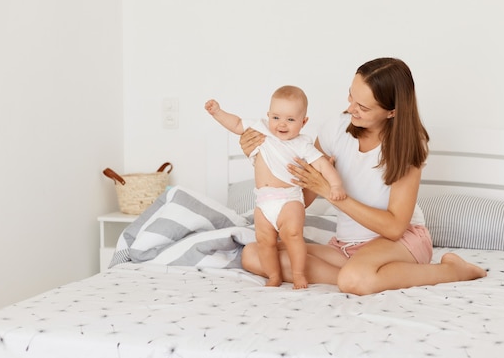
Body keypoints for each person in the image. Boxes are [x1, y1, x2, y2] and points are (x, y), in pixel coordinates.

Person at [239, 58, 487, 295]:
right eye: (351, 96)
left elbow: (394, 227)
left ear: (391, 112)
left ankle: (451, 270)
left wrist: (331, 193)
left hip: (400, 242)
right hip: (346, 247)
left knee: (353, 280)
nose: (349, 109)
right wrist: (264, 159)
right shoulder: (336, 128)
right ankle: (368, 273)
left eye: (363, 107)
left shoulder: (406, 146)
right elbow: (299, 199)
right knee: (254, 254)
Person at [205, 85, 346, 289]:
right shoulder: (260, 129)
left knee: (293, 236)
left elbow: (323, 164)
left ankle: (298, 274)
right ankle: (273, 276)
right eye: (276, 117)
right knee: (264, 241)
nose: (282, 124)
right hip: (263, 202)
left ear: (303, 122)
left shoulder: (302, 144)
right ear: (268, 115)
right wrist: (217, 112)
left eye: (290, 119)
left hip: (289, 199)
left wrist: (336, 184)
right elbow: (236, 124)